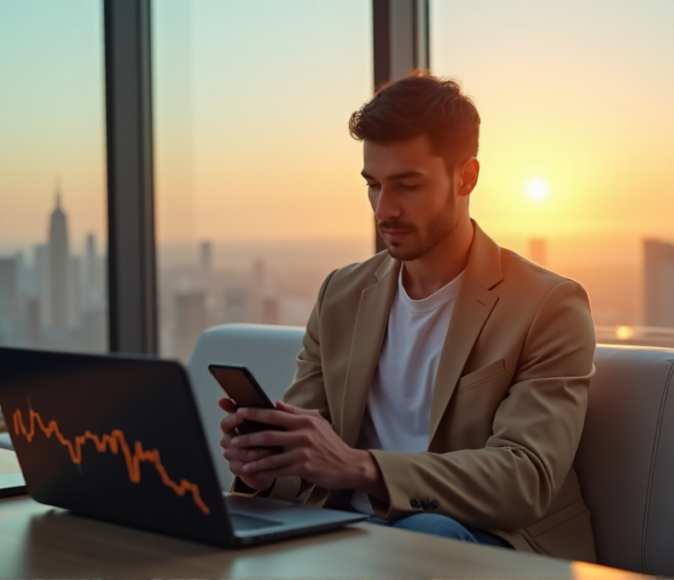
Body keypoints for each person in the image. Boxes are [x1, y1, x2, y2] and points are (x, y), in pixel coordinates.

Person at [218, 70, 597, 561]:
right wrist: (266, 467)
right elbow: (307, 459)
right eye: (373, 185)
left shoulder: (549, 304)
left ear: (466, 177)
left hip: (489, 542)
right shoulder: (340, 295)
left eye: (407, 185)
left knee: (425, 531)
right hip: (353, 534)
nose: (384, 209)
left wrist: (362, 467)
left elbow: (524, 478)